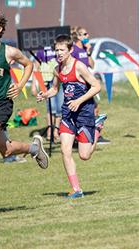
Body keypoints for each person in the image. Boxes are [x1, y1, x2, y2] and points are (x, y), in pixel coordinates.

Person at [37, 34, 102, 198]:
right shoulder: (57, 69)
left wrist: (79, 101)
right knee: (65, 151)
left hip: (85, 113)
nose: (58, 53)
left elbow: (96, 86)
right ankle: (76, 189)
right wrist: (45, 95)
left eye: (62, 50)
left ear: (70, 50)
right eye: (56, 50)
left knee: (84, 156)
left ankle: (97, 128)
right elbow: (55, 89)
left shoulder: (79, 66)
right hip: (68, 114)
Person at [0, 9, 49, 169]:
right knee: (7, 151)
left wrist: (19, 86)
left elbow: (29, 64)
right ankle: (34, 148)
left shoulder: (9, 52)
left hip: (1, 102)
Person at [71, 27, 109, 145]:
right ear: (78, 36)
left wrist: (88, 52)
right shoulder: (74, 50)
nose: (87, 36)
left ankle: (92, 134)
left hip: (87, 84)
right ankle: (82, 137)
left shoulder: (84, 50)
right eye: (84, 34)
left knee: (94, 108)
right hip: (78, 86)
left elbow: (92, 65)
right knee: (82, 111)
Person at [31, 46, 64, 142]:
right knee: (51, 107)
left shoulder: (58, 48)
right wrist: (34, 85)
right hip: (47, 82)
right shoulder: (41, 50)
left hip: (60, 80)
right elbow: (36, 68)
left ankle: (56, 130)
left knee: (59, 108)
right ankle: (50, 129)